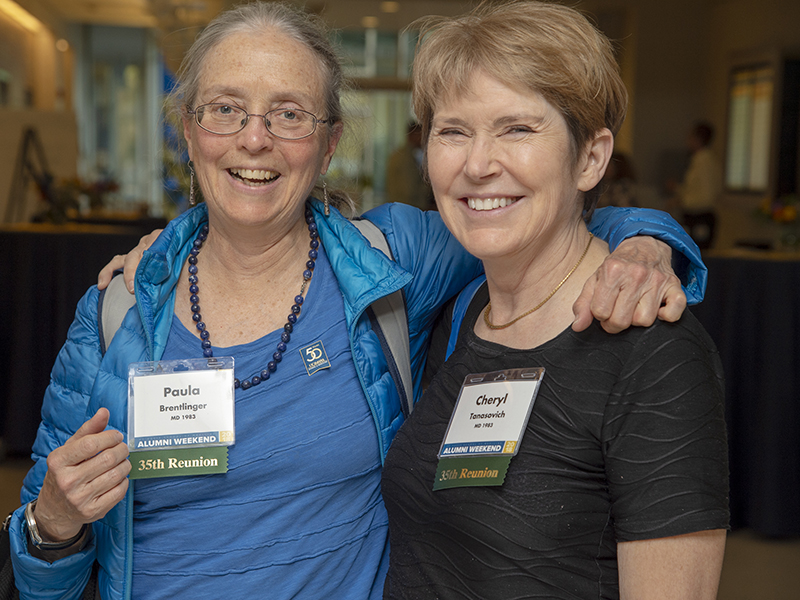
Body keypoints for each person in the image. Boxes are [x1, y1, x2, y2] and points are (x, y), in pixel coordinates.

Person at [8, 3, 704, 600]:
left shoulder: (392, 261)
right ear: (189, 132)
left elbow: (533, 220)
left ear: (330, 143)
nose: (256, 138)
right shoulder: (118, 312)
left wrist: (645, 245)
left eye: (289, 113)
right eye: (226, 110)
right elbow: (40, 567)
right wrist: (53, 522)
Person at [380, 3, 728, 599]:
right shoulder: (458, 318)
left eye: (517, 128)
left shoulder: (654, 354)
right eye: (454, 131)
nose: (478, 164)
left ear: (590, 158)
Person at [670, 121, 722, 249]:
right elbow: (694, 190)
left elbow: (706, 195)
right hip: (692, 215)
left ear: (697, 138)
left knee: (698, 255)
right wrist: (678, 191)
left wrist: (684, 202)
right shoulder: (698, 160)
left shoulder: (705, 162)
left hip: (701, 217)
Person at [386, 121, 434, 210]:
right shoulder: (404, 157)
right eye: (421, 135)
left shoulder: (410, 154)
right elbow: (409, 190)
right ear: (412, 135)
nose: (425, 139)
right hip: (407, 209)